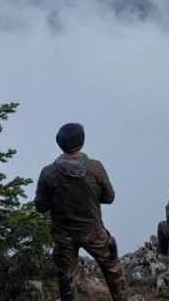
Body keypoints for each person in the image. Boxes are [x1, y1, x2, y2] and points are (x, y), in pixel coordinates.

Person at [34, 122, 129, 301]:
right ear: (82, 143)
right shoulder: (96, 168)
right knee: (113, 270)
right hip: (93, 232)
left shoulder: (48, 173)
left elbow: (41, 206)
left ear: (60, 144)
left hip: (63, 235)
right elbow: (109, 197)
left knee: (66, 280)